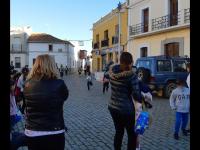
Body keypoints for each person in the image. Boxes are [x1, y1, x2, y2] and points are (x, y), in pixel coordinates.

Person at [23, 54, 69, 150]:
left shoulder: (27, 84)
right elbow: (65, 97)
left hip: (32, 131)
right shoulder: (59, 83)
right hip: (54, 131)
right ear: (52, 65)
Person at [108, 52, 142, 150]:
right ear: (130, 62)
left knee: (119, 131)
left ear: (120, 61)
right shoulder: (131, 76)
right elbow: (136, 95)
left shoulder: (112, 73)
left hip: (113, 107)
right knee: (132, 134)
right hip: (126, 110)